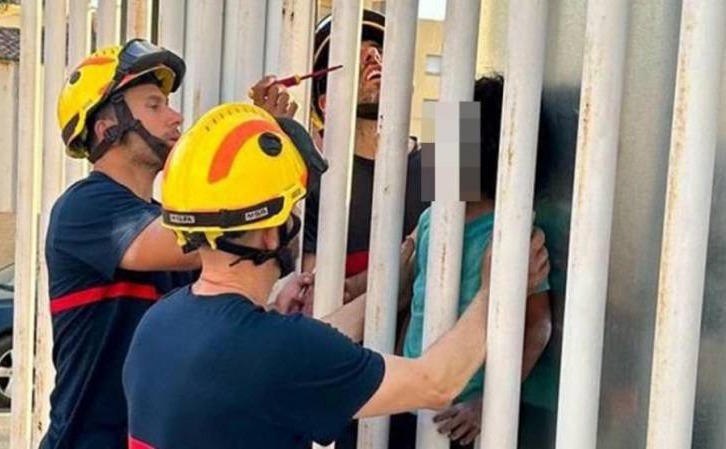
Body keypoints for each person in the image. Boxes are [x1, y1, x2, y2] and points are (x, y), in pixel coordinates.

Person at [122, 102, 550, 449]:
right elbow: (436, 383)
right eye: (292, 209)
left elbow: (288, 351)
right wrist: (496, 288)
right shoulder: (279, 350)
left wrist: (389, 286)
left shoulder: (159, 324)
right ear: (272, 234)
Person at [42, 39, 203, 449]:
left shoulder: (165, 217)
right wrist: (254, 156)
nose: (175, 116)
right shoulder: (85, 207)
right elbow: (201, 242)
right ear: (107, 126)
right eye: (154, 105)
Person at [397, 75, 554, 449]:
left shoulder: (512, 235)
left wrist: (488, 404)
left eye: (449, 133)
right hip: (409, 400)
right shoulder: (433, 218)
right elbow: (414, 303)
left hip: (462, 421)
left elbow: (538, 325)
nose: (438, 147)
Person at [250, 9, 428, 304]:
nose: (374, 57)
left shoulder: (448, 152)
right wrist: (265, 141)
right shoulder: (316, 178)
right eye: (357, 55)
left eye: (380, 51)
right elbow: (317, 293)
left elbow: (475, 256)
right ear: (326, 102)